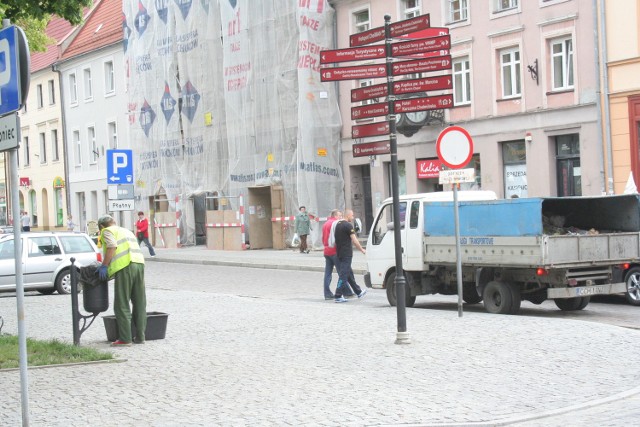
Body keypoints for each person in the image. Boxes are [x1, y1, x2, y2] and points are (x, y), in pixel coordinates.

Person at [97, 215, 147, 346]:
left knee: (121, 303)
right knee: (139, 302)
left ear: (102, 226)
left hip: (125, 267)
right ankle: (140, 337)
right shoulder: (126, 231)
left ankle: (125, 339)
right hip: (139, 264)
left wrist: (104, 265)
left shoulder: (107, 231)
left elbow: (112, 246)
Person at [334, 209, 367, 303]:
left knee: (349, 274)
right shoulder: (348, 225)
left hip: (339, 252)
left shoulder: (338, 225)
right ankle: (338, 295)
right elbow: (354, 240)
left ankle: (358, 291)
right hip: (346, 254)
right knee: (344, 275)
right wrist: (361, 249)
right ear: (348, 216)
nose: (352, 218)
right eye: (352, 216)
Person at [322, 209, 355, 300]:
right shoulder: (336, 223)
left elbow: (323, 238)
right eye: (339, 215)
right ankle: (347, 292)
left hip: (326, 250)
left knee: (328, 273)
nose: (341, 217)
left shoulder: (325, 224)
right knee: (343, 272)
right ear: (335, 216)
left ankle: (327, 293)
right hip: (335, 251)